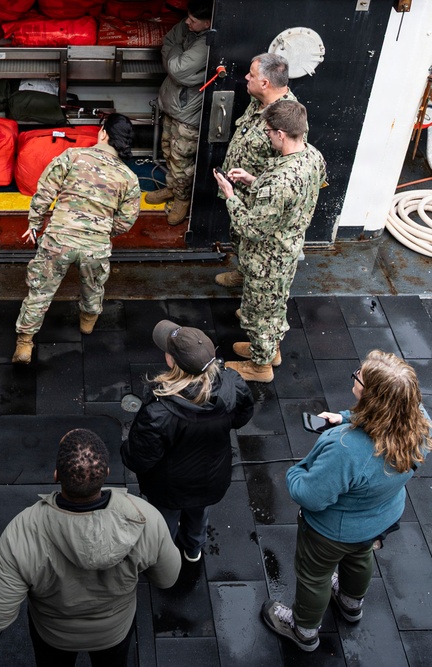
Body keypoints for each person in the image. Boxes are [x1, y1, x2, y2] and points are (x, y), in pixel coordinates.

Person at [261, 350, 430, 652]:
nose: (355, 378)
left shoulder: (347, 448)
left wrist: (295, 472)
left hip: (332, 532)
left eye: (359, 378)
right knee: (360, 557)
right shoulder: (419, 422)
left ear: (372, 398)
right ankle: (351, 603)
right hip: (380, 519)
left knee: (314, 577)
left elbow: (310, 496)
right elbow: (390, 417)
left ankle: (304, 630)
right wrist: (346, 417)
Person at [0, 429, 180, 666]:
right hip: (114, 632)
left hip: (53, 636)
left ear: (56, 475)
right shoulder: (145, 519)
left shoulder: (21, 531)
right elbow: (167, 578)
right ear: (106, 473)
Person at [12, 114, 141, 363]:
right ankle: (87, 324)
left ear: (103, 133)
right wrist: (102, 231)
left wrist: (35, 224)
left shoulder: (73, 156)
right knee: (93, 289)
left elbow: (45, 191)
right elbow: (126, 221)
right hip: (95, 247)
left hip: (59, 239)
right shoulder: (129, 178)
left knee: (40, 292)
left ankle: (24, 344)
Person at [121, 320, 253, 562]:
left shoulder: (158, 412)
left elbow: (138, 459)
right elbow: (241, 417)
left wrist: (126, 449)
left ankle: (163, 556)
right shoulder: (232, 383)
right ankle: (193, 549)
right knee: (198, 512)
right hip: (213, 477)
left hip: (169, 488)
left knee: (164, 520)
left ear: (171, 361)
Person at [213, 100, 326, 383]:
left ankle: (260, 365)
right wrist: (254, 181)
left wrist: (231, 195)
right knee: (275, 303)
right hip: (288, 248)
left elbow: (250, 228)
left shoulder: (280, 183)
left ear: (281, 134)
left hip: (267, 258)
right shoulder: (312, 156)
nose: (266, 134)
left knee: (260, 312)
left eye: (269, 131)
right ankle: (269, 350)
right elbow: (294, 195)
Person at [216, 53, 299, 289]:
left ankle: (254, 294)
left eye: (251, 75)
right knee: (239, 239)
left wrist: (258, 185)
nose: (246, 78)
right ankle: (243, 272)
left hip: (260, 199)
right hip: (239, 192)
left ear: (265, 83)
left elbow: (289, 168)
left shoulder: (287, 118)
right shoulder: (258, 101)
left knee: (257, 251)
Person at [147, 0, 213, 226]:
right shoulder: (187, 28)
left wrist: (176, 61)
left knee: (182, 158)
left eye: (193, 20)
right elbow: (168, 42)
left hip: (188, 111)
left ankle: (182, 199)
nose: (187, 22)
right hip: (171, 102)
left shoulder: (207, 43)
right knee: (167, 149)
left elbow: (177, 69)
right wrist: (177, 60)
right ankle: (172, 188)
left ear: (208, 23)